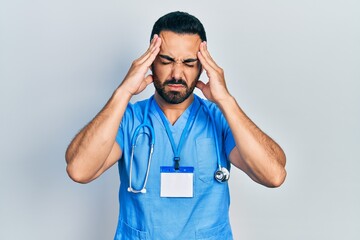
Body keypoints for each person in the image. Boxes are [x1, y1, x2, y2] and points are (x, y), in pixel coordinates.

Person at [65, 11, 286, 239]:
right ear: (150, 63)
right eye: (166, 61)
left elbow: (273, 175)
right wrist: (123, 92)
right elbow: (80, 170)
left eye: (189, 63)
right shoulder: (129, 118)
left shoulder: (220, 118)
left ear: (202, 67)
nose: (177, 74)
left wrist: (226, 101)